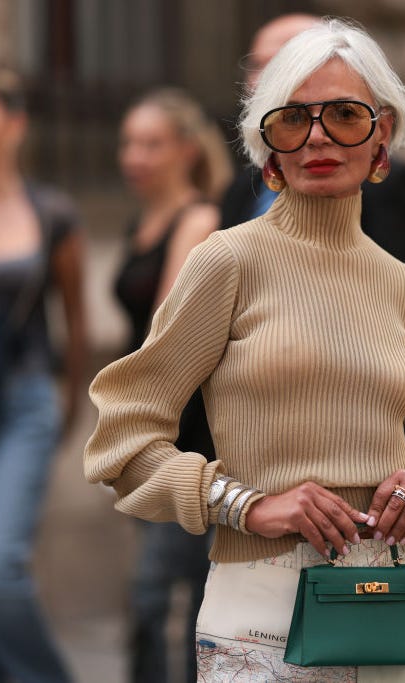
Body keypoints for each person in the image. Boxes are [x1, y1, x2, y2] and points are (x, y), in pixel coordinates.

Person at [85, 18, 405, 682]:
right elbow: (123, 436)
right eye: (291, 118)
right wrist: (245, 503)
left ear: (382, 143)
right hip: (261, 612)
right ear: (266, 152)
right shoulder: (226, 262)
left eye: (344, 114)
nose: (316, 136)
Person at [114, 88, 233, 683]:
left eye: (151, 143)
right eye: (129, 142)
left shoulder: (200, 220)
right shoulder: (143, 221)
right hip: (147, 425)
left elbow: (168, 333)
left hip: (187, 433)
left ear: (186, 150)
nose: (134, 155)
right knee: (172, 587)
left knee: (159, 590)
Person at [0, 67, 85, 682]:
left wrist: (66, 412)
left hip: (22, 404)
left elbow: (75, 328)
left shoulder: (51, 215)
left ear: (14, 126)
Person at [223, 13, 405, 290]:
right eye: (258, 65)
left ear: (382, 130)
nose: (317, 137)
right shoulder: (227, 233)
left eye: (344, 113)